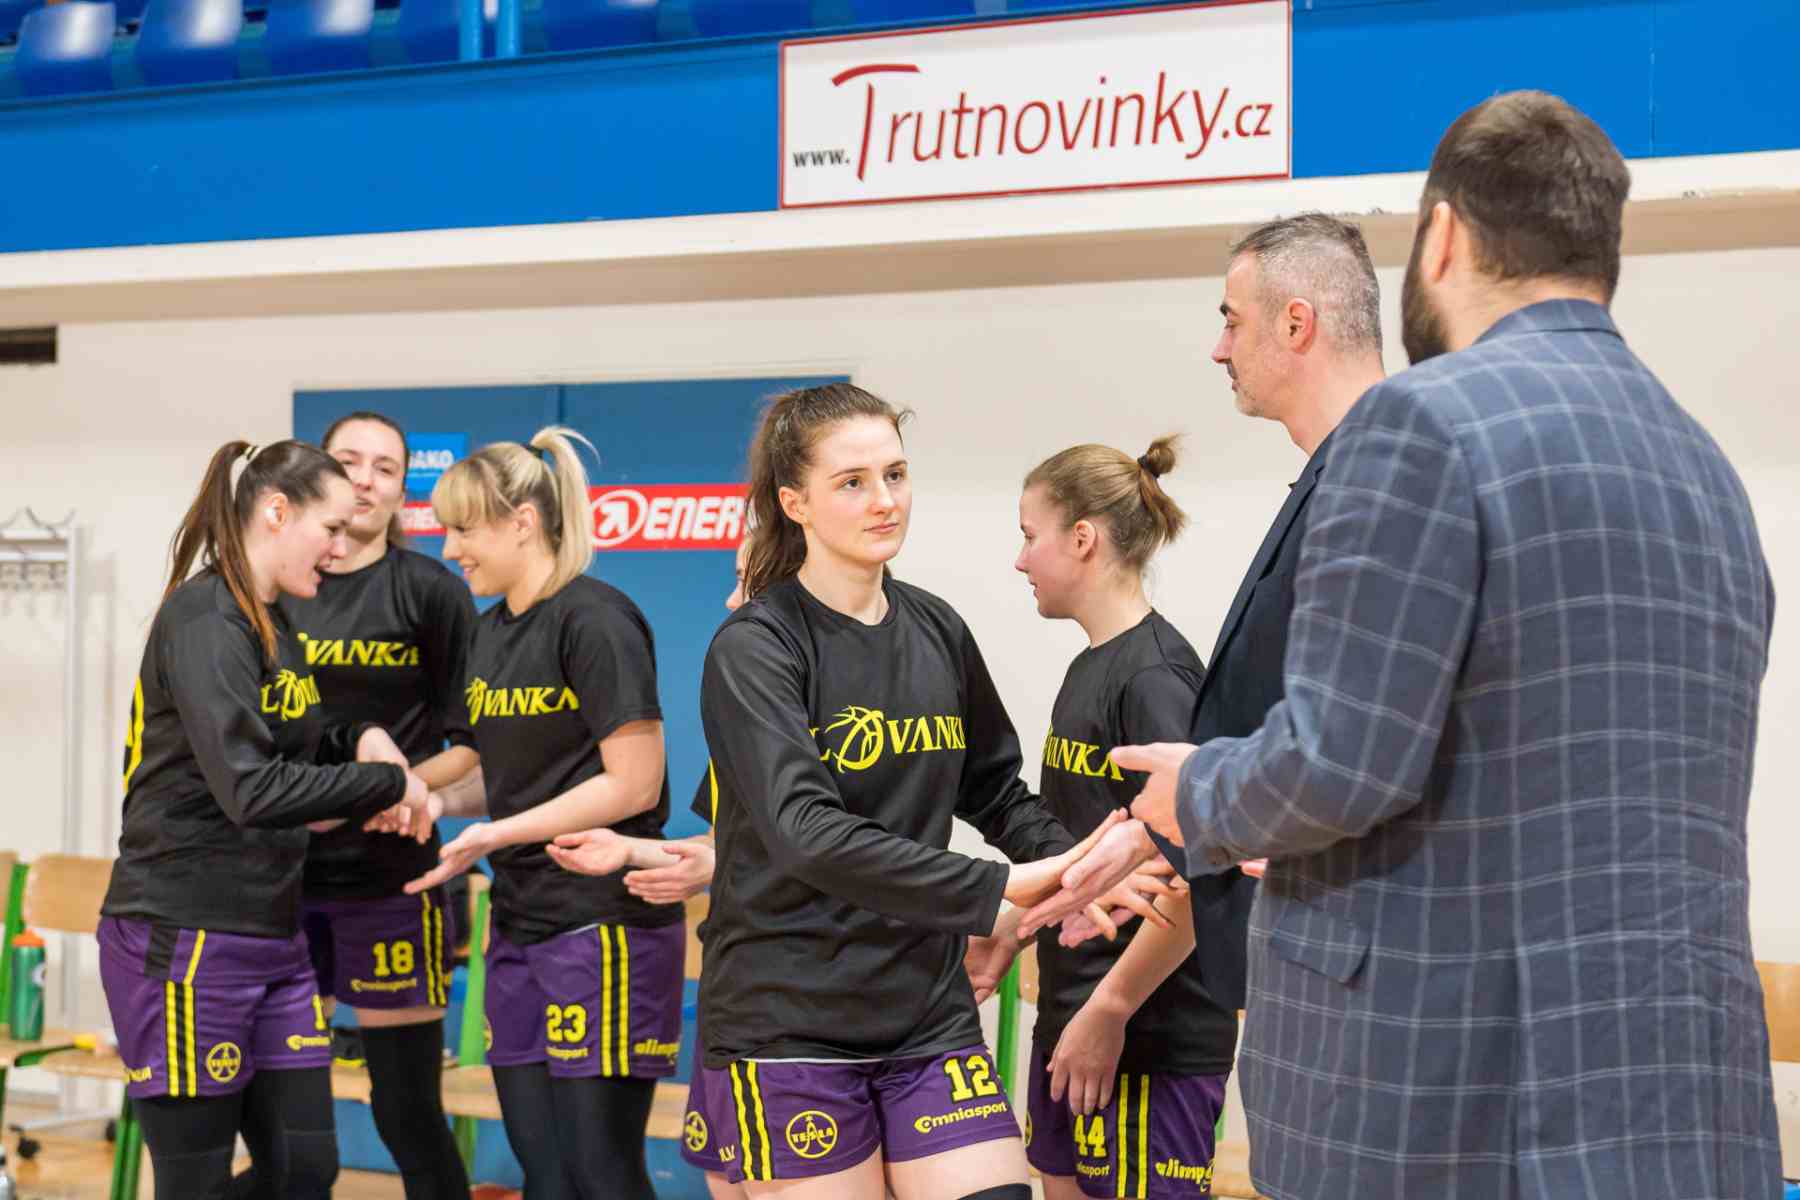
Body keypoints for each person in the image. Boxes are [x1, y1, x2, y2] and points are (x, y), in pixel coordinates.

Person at [1079, 92, 1782, 1198]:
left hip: (1445, 1106)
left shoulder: (1421, 422)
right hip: (1673, 1104)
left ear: (1443, 236)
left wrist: (1197, 792)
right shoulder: (1705, 472)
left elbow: (1342, 758)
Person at [690, 382, 1125, 1200]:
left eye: (895, 474)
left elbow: (994, 790)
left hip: (926, 1012)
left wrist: (1079, 868)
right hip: (790, 1022)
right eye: (852, 482)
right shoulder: (755, 648)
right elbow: (805, 832)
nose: (884, 500)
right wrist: (998, 889)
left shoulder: (936, 627)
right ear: (795, 503)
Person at [1022, 213, 1388, 1029]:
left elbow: (1360, 746)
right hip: (1297, 952)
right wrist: (1150, 836)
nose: (1219, 349)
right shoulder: (1332, 477)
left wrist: (1198, 800)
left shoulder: (1379, 480)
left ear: (1296, 324)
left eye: (1232, 320)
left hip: (1348, 963)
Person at [99, 439, 436, 1200]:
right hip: (184, 933)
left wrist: (360, 738)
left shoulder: (272, 620)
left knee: (304, 1169)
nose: (342, 549)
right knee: (196, 1181)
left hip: (273, 935)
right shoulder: (204, 619)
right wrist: (385, 782)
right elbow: (250, 789)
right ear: (278, 512)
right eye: (332, 529)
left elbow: (297, 739)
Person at [396, 427, 683, 1200]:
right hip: (520, 924)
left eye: (465, 529)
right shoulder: (489, 635)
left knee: (601, 1173)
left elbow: (633, 784)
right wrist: (431, 799)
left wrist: (497, 831)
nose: (451, 550)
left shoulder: (596, 620)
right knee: (546, 1176)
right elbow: (512, 780)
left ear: (523, 521)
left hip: (603, 925)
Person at [996, 435, 1236, 1200]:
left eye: (1029, 536)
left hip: (1145, 1038)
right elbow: (1087, 852)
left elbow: (1201, 873)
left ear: (1082, 538)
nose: (1020, 560)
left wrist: (1111, 1007)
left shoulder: (1157, 677)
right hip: (1074, 1020)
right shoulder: (1089, 666)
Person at [271, 412, 477, 1200]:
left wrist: (397, 792)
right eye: (348, 461)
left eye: (385, 467)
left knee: (406, 1111)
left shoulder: (432, 591)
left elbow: (471, 742)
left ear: (401, 491)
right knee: (290, 1123)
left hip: (392, 876)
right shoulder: (276, 588)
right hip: (281, 878)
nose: (363, 479)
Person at [549, 536, 752, 1200]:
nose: (731, 599)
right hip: (737, 996)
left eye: (747, 580)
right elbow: (728, 848)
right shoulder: (748, 718)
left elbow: (835, 853)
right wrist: (632, 851)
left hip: (811, 1009)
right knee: (728, 1180)